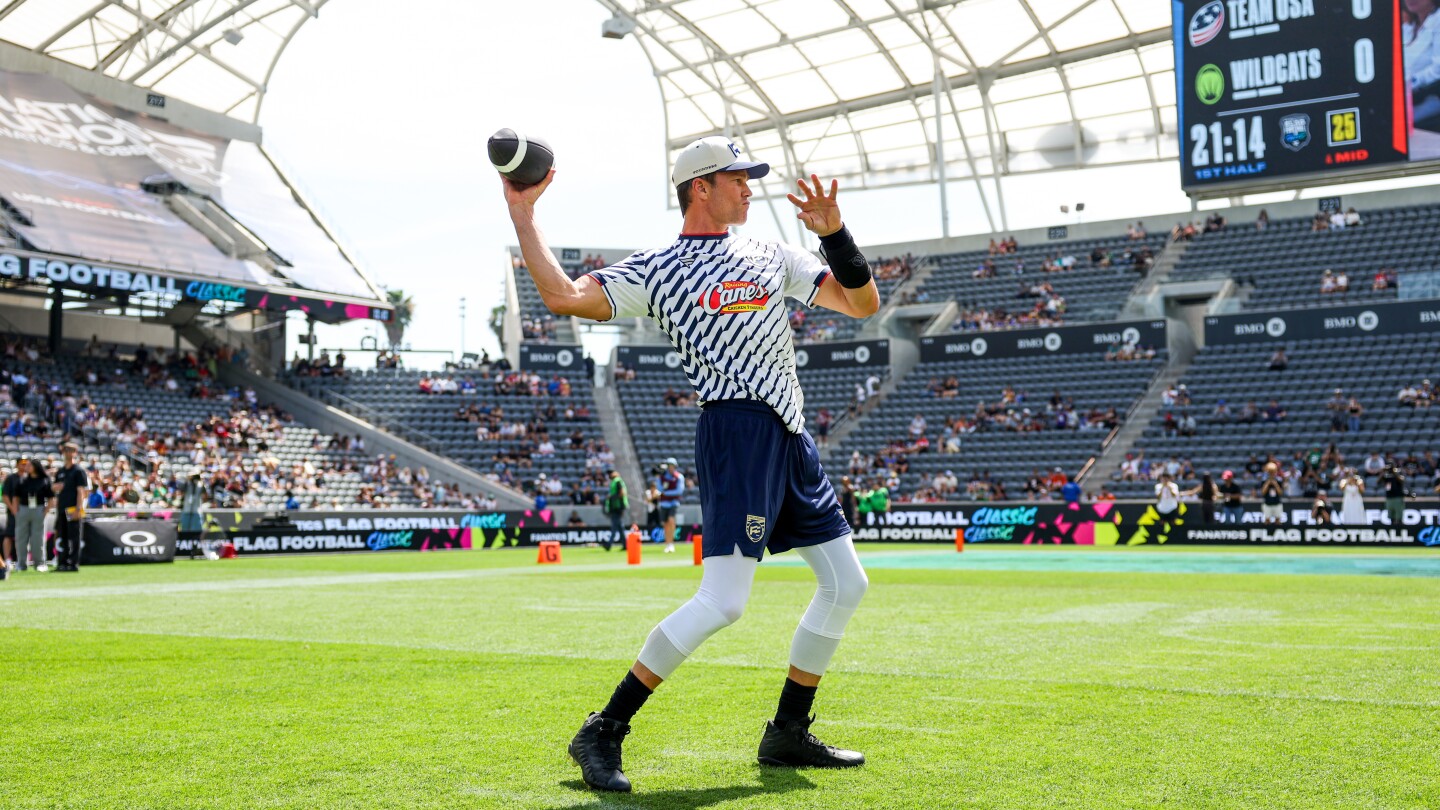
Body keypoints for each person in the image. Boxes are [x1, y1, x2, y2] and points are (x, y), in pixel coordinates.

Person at [505, 136, 879, 791]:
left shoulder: (773, 252)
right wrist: (523, 215)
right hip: (735, 431)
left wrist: (837, 235)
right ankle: (604, 730)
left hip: (791, 435)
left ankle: (787, 732)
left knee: (847, 585)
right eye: (739, 177)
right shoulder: (658, 266)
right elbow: (565, 298)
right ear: (699, 187)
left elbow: (863, 304)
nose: (751, 187)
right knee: (723, 602)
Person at [51, 442, 88, 572]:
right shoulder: (60, 471)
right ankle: (62, 562)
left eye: (71, 450)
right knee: (62, 537)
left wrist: (79, 509)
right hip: (62, 508)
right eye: (66, 450)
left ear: (75, 453)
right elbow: (53, 488)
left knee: (74, 537)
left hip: (73, 508)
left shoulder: (78, 471)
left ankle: (73, 563)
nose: (68, 453)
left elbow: (81, 491)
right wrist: (55, 487)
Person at [15, 457, 50, 572]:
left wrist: (45, 511)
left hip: (38, 509)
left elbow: (51, 498)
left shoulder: (44, 480)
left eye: (29, 465)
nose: (27, 467)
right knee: (21, 538)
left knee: (38, 539)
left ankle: (40, 563)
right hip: (23, 509)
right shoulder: (22, 480)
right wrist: (16, 511)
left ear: (35, 467)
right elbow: (16, 496)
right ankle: (21, 564)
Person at [656, 458, 685, 553]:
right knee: (665, 524)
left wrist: (666, 493)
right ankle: (667, 543)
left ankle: (671, 543)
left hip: (674, 502)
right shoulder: (661, 477)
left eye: (672, 466)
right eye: (669, 466)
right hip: (664, 503)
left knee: (671, 520)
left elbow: (679, 491)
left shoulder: (679, 477)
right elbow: (659, 488)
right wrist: (663, 493)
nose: (670, 468)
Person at [1, 458, 21, 573]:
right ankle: (7, 560)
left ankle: (21, 560)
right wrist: (13, 509)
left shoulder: (28, 478)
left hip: (25, 512)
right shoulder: (11, 478)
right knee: (9, 535)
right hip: (13, 513)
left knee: (23, 537)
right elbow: (5, 496)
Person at [603, 468, 628, 552]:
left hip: (617, 506)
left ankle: (609, 544)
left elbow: (621, 493)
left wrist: (612, 497)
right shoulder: (615, 481)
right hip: (616, 507)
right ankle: (625, 545)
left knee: (614, 526)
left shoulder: (617, 481)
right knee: (620, 527)